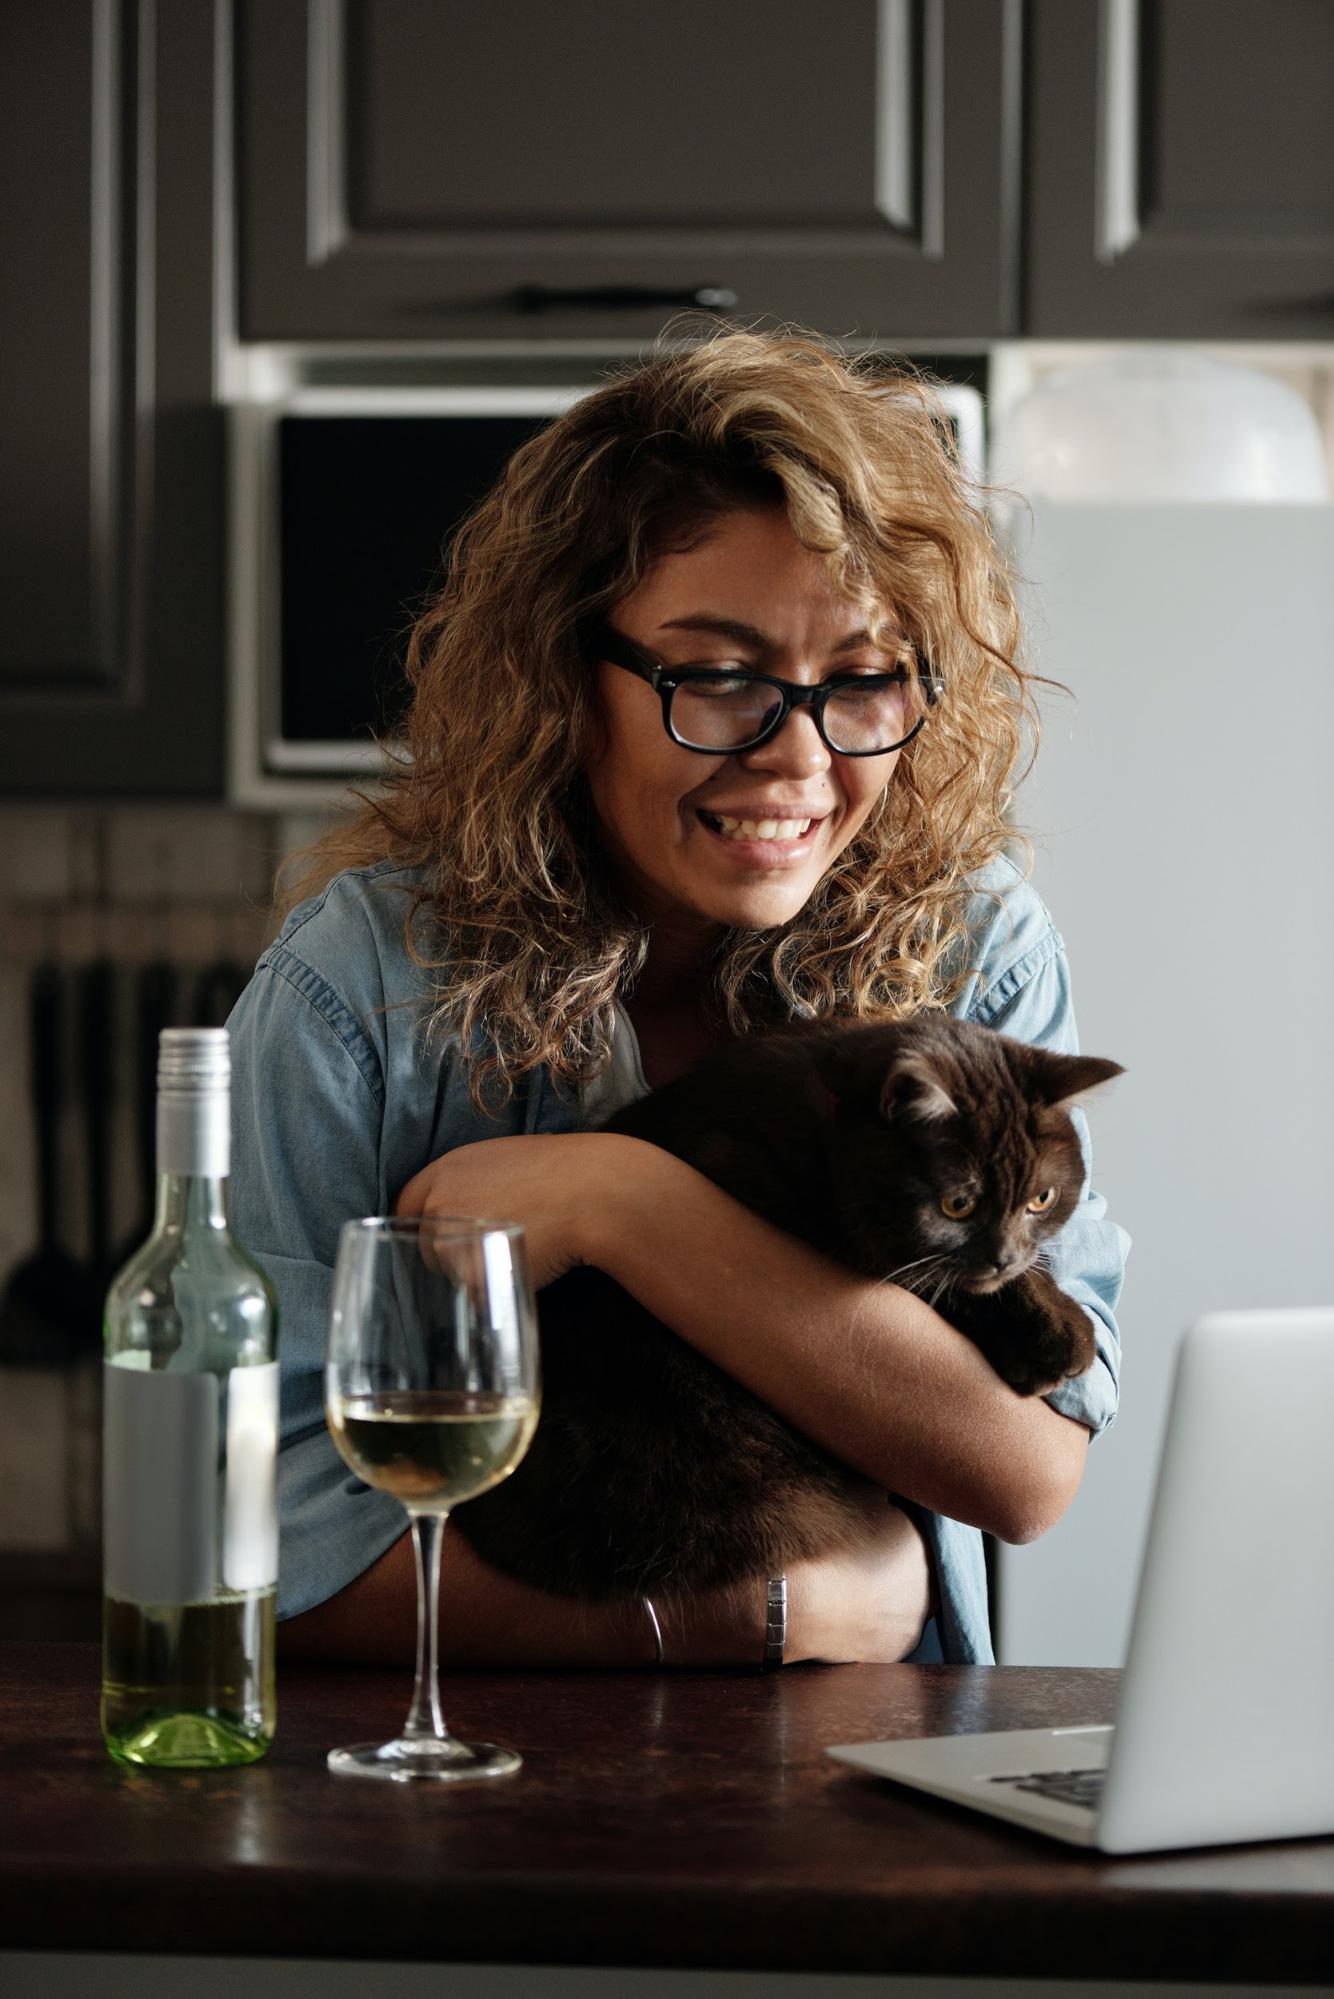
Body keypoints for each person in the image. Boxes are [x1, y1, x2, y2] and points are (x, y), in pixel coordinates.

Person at [229, 328, 1127, 1671]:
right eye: (717, 676)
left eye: (863, 681)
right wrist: (762, 1615)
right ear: (561, 677)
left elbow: (1024, 1472)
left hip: (868, 1800)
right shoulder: (358, 983)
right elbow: (250, 1552)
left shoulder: (974, 944)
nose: (797, 755)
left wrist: (622, 1207)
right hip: (461, 1794)